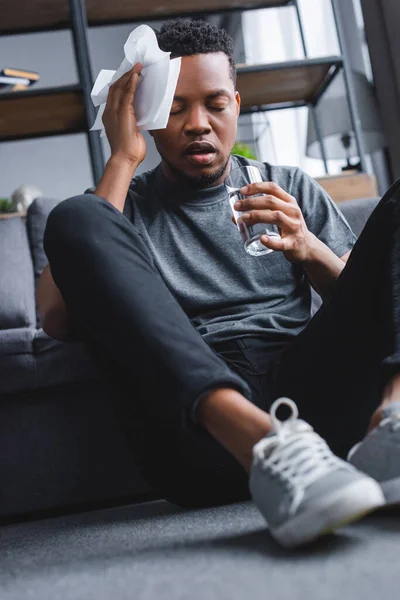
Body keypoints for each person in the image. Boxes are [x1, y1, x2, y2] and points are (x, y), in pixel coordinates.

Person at [38, 19, 400, 548]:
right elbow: (55, 318)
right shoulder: (121, 207)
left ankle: (392, 427)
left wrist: (309, 248)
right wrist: (121, 158)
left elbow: (378, 309)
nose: (198, 124)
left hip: (311, 396)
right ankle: (263, 449)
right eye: (176, 108)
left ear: (237, 103)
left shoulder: (291, 187)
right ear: (147, 117)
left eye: (214, 104)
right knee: (76, 215)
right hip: (199, 428)